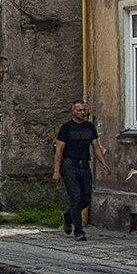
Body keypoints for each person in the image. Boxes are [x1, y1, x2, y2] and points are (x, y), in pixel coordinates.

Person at [52, 99, 111, 241]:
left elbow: (96, 147)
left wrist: (104, 163)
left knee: (86, 198)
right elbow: (59, 150)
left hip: (84, 165)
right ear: (73, 111)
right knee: (76, 198)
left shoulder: (89, 127)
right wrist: (57, 171)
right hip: (69, 165)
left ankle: (68, 216)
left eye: (84, 110)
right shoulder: (66, 128)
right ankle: (79, 231)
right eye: (79, 110)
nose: (82, 113)